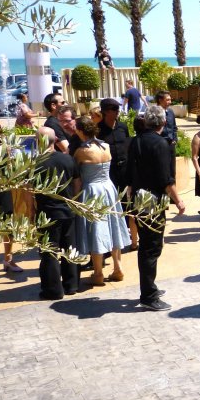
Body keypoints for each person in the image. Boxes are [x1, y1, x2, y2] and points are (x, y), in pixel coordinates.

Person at [126, 105, 186, 311]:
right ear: (164, 122)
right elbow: (165, 179)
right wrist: (178, 200)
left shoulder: (136, 140)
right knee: (151, 247)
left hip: (138, 199)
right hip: (152, 201)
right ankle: (148, 295)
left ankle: (149, 287)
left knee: (147, 246)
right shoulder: (161, 143)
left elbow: (129, 172)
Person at [73, 115, 130, 286]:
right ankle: (118, 268)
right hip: (108, 189)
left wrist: (74, 200)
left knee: (96, 229)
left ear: (80, 131)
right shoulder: (105, 146)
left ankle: (98, 273)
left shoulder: (81, 152)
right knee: (113, 226)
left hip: (91, 191)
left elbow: (77, 179)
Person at [34, 126, 80, 299]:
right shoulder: (67, 159)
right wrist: (74, 201)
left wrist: (30, 212)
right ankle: (71, 285)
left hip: (47, 213)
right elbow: (77, 182)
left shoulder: (35, 163)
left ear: (39, 141)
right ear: (55, 140)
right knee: (69, 248)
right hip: (68, 210)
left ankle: (53, 290)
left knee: (49, 252)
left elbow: (28, 192)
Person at [98, 98, 137, 250]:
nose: (117, 111)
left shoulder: (122, 127)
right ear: (105, 111)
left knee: (129, 202)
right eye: (114, 109)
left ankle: (131, 235)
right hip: (110, 171)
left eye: (117, 109)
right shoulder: (98, 129)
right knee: (113, 202)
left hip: (125, 169)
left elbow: (128, 145)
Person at [0, 118, 22, 273]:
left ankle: (8, 259)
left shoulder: (4, 147)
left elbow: (11, 167)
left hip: (3, 189)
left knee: (8, 225)